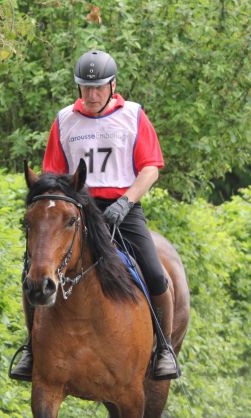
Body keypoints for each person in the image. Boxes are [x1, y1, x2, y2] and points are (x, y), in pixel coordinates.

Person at [10, 50, 180, 381]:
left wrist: (126, 201)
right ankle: (31, 348)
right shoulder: (64, 120)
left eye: (98, 88)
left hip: (123, 208)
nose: (91, 95)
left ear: (112, 85)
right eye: (85, 88)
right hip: (76, 210)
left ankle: (163, 349)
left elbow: (150, 168)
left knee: (155, 273)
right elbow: (53, 175)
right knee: (34, 270)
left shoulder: (133, 115)